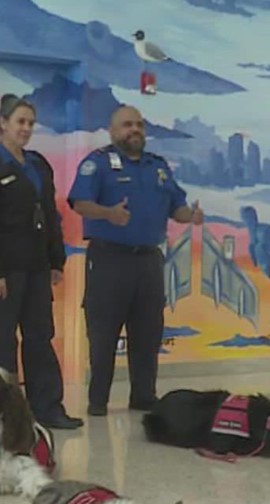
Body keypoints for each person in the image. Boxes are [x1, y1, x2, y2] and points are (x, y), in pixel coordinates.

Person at [67, 105, 203, 417]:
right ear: (113, 131)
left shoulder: (158, 167)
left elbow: (177, 207)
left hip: (148, 261)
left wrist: (191, 216)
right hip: (109, 259)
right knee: (103, 333)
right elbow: (80, 203)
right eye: (127, 125)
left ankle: (143, 396)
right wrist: (108, 213)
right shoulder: (98, 163)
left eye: (139, 124)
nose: (135, 130)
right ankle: (98, 401)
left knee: (148, 331)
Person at [0, 94, 83, 430]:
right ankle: (3, 414)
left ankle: (47, 407)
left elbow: (50, 215)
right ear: (3, 123)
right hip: (4, 273)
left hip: (36, 269)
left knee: (39, 338)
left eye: (31, 123)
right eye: (20, 121)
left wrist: (56, 260)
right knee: (3, 344)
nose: (26, 128)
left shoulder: (38, 165)